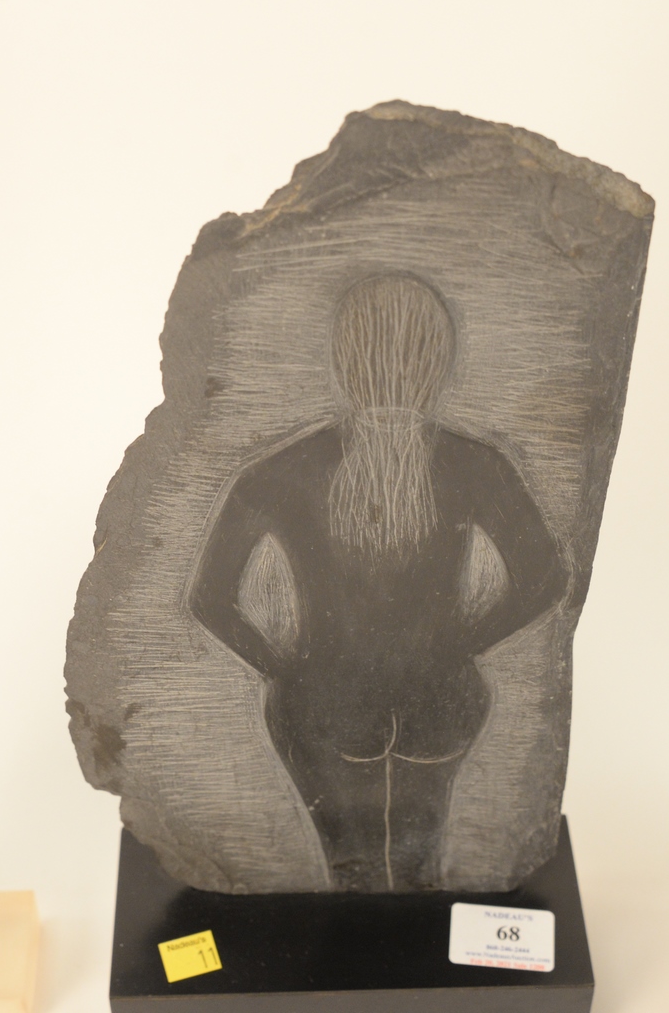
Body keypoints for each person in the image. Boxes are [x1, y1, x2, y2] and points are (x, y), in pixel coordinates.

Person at [189, 273, 567, 891]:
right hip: (440, 699)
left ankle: (352, 945)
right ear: (438, 360)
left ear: (343, 360)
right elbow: (546, 578)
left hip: (320, 706)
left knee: (344, 870)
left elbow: (208, 598)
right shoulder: (477, 464)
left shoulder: (283, 468)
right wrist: (464, 641)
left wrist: (282, 667)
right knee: (423, 865)